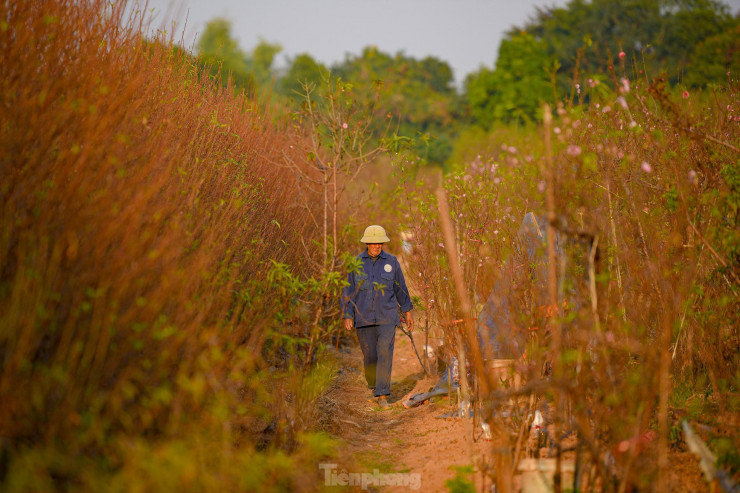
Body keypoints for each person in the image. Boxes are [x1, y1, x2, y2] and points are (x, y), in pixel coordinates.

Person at [341, 225, 414, 409]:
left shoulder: (392, 262)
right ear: (367, 243)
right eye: (374, 243)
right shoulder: (356, 263)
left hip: (387, 316)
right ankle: (373, 386)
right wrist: (347, 314)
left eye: (380, 243)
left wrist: (407, 311)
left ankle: (382, 394)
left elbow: (400, 288)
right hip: (363, 317)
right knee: (369, 355)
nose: (377, 246)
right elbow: (348, 291)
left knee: (384, 352)